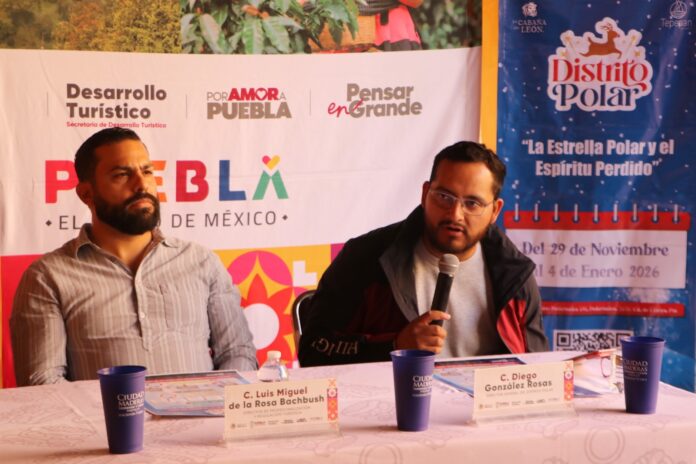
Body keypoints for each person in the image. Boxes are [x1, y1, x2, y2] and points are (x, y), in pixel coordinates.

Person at [11, 128, 257, 386]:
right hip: (99, 415)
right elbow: (43, 382)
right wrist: (115, 412)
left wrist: (214, 403)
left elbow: (238, 353)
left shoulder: (200, 261)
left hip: (207, 412)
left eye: (147, 171)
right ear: (86, 194)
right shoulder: (48, 277)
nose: (141, 185)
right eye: (122, 175)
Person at [298, 141, 548, 366]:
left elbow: (537, 369)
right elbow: (313, 351)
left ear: (495, 211)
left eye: (472, 203)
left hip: (484, 401)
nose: (455, 214)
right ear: (425, 193)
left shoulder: (515, 275)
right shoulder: (365, 258)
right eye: (444, 197)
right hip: (392, 400)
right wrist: (395, 345)